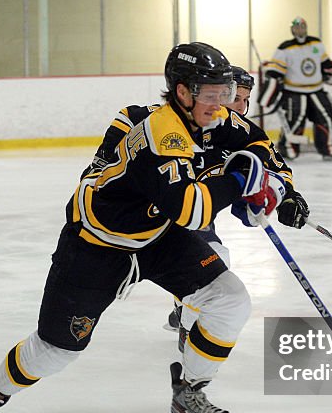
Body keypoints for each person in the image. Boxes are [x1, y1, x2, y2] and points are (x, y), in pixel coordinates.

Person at [0, 43, 288, 413]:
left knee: (230, 300)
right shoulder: (163, 132)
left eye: (225, 94)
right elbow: (191, 211)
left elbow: (257, 144)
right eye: (213, 95)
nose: (222, 106)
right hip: (97, 245)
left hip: (156, 238)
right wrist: (239, 182)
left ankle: (190, 395)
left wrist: (284, 189)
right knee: (57, 349)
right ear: (183, 92)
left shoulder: (208, 117)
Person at [86, 66, 310, 346]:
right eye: (233, 97)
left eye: (245, 99)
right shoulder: (145, 119)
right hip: (132, 223)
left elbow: (274, 165)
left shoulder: (236, 134)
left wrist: (287, 195)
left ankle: (189, 328)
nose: (240, 107)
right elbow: (99, 173)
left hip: (190, 220)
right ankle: (187, 308)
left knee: (217, 260)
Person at [259, 17, 332, 161]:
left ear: (306, 28)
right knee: (294, 122)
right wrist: (271, 90)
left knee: (327, 118)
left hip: (317, 90)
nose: (299, 30)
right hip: (294, 92)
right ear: (292, 30)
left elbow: (325, 67)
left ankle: (328, 148)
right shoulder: (285, 48)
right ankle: (288, 149)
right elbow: (275, 72)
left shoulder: (316, 43)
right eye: (296, 27)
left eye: (302, 27)